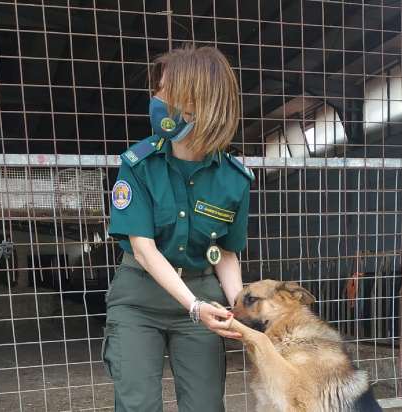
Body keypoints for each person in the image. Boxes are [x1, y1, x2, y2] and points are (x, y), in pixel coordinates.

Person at [103, 45, 254, 412]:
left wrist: (242, 312)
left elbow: (227, 254)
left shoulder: (234, 178)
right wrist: (194, 306)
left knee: (205, 405)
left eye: (170, 92)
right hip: (140, 299)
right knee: (138, 404)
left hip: (203, 293)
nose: (158, 100)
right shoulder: (138, 165)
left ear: (204, 101)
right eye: (159, 91)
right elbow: (143, 249)